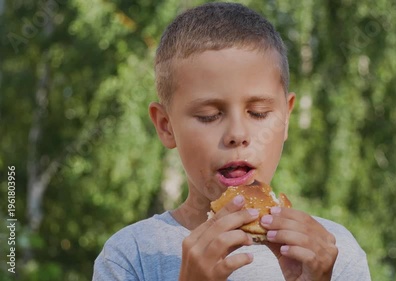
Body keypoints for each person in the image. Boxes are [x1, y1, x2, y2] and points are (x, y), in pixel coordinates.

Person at [93, 2, 370, 280]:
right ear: (166, 126)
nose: (237, 134)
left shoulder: (331, 253)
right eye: (209, 115)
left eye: (258, 113)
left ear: (286, 118)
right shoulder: (131, 257)